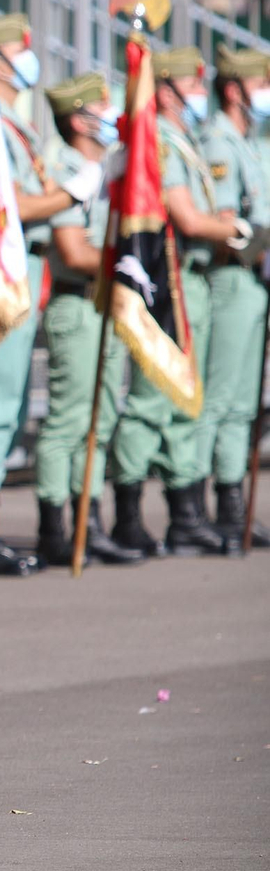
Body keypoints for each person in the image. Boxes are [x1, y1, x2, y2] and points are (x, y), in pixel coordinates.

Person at [0, 12, 98, 576]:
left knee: (7, 404)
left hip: (25, 271)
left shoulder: (16, 127)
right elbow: (1, 207)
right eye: (16, 49)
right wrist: (67, 195)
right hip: (0, 270)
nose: (27, 58)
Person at [110, 47, 250, 556]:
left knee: (185, 398)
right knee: (152, 400)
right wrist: (238, 229)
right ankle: (127, 513)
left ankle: (185, 514)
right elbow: (187, 219)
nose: (197, 92)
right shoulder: (161, 141)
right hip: (167, 279)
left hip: (193, 277)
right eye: (189, 84)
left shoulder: (185, 138)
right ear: (164, 89)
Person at [32, 73, 143, 566]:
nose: (111, 111)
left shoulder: (109, 168)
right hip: (77, 303)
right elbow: (74, 251)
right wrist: (124, 259)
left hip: (103, 300)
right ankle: (54, 526)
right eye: (102, 105)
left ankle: (87, 519)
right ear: (80, 119)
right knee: (70, 420)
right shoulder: (66, 169)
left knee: (100, 417)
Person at [197, 46, 270, 549]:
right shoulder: (220, 143)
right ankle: (196, 504)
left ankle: (231, 502)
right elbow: (225, 224)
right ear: (234, 89)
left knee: (244, 403)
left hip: (255, 279)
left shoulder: (251, 142)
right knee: (219, 397)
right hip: (231, 274)